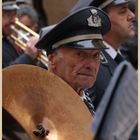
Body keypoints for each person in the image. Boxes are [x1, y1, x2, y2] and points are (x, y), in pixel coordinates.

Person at [36, 6, 111, 116]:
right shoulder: (38, 105)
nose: (91, 65)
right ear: (52, 59)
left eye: (95, 55)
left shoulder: (84, 98)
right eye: (80, 54)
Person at [2, 0, 39, 68]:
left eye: (14, 15)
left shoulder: (7, 40)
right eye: (7, 15)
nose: (14, 20)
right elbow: (5, 75)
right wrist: (28, 56)